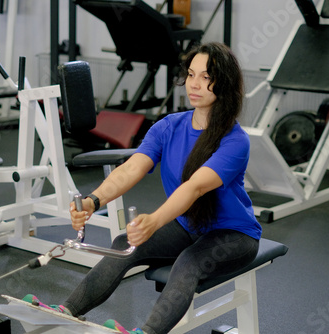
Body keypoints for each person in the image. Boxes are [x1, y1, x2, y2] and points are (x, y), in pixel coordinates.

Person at [24, 41, 262, 334]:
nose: (194, 84)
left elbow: (195, 188)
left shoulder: (235, 141)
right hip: (188, 226)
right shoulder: (169, 126)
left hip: (234, 235)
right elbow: (132, 168)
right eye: (190, 74)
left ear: (223, 84)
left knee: (189, 262)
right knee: (125, 242)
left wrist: (154, 221)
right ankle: (66, 312)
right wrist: (92, 201)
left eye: (206, 77)